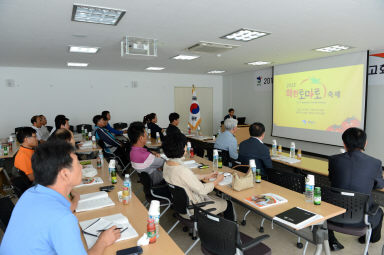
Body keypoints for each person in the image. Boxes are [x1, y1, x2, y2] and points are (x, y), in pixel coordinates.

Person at [0, 140, 120, 254]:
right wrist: (103, 241)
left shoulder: (30, 193)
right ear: (65, 174)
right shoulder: (63, 219)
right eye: (78, 163)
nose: (81, 167)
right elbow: (59, 218)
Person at [327, 127, 384, 251]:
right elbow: (380, 186)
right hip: (361, 219)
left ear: (344, 143)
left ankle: (331, 239)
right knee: (379, 212)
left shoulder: (333, 160)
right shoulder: (375, 163)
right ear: (365, 143)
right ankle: (369, 239)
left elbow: (332, 179)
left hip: (332, 214)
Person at [162, 133, 234, 220]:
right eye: (185, 145)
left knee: (215, 198)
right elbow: (202, 190)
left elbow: (185, 178)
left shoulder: (167, 164)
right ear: (181, 148)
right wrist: (217, 180)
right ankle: (228, 230)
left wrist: (205, 176)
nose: (186, 147)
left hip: (182, 205)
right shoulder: (182, 170)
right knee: (228, 203)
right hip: (194, 208)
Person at [48, 128, 80, 212]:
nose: (80, 167)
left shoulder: (54, 156)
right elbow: (70, 208)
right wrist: (76, 198)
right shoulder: (60, 163)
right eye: (73, 137)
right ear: (67, 140)